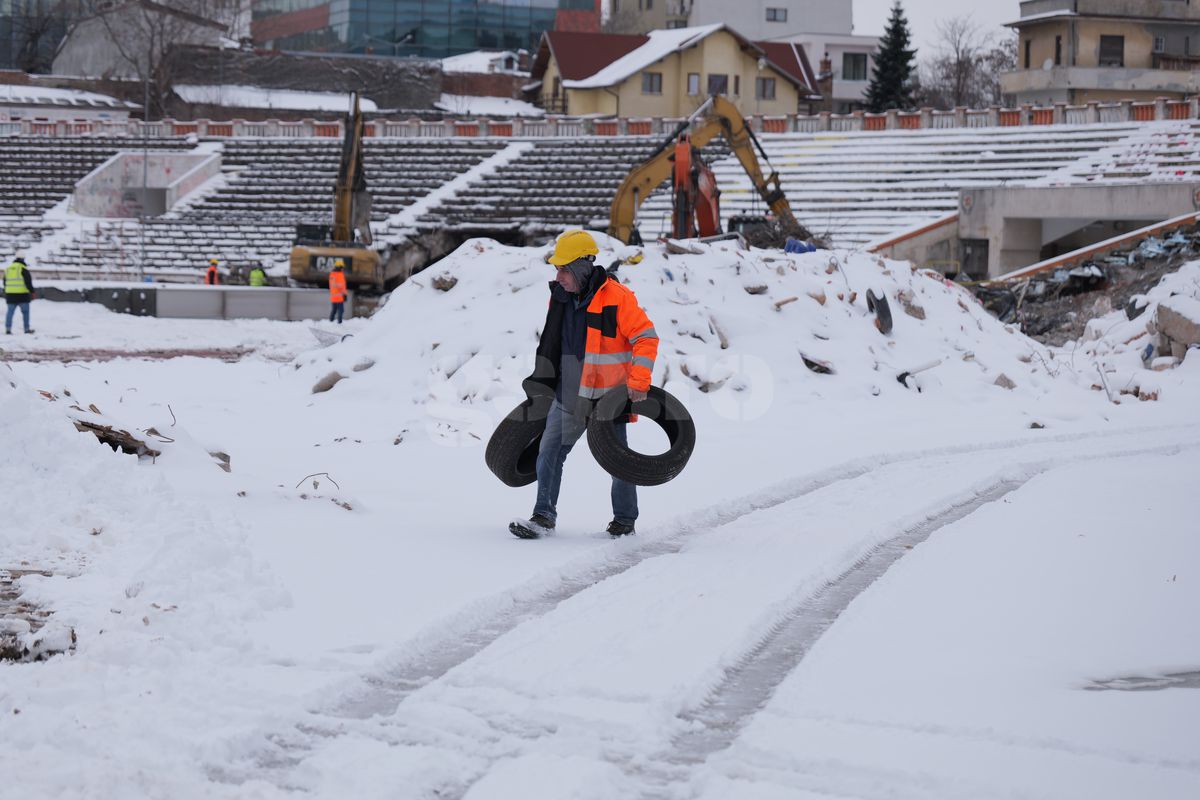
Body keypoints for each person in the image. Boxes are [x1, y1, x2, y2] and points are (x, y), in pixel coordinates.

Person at [510, 229, 659, 540]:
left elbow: (646, 338)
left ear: (581, 267)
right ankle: (543, 517)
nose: (558, 276)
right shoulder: (560, 298)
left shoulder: (618, 297)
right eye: (557, 269)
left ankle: (624, 521)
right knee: (549, 451)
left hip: (608, 398)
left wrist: (639, 380)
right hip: (568, 393)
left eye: (563, 269)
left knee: (617, 461)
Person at [4, 255, 35, 335]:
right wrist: (32, 292)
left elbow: (4, 282)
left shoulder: (8, 269)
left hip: (10, 295)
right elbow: (28, 282)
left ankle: (8, 329)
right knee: (25, 312)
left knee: (10, 312)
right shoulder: (23, 268)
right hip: (22, 295)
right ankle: (26, 329)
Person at [328, 259, 347, 324]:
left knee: (334, 310)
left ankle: (330, 321)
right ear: (339, 267)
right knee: (341, 310)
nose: (342, 269)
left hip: (333, 296)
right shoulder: (339, 275)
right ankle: (339, 323)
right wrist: (344, 294)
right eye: (342, 267)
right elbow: (341, 286)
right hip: (339, 297)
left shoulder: (332, 274)